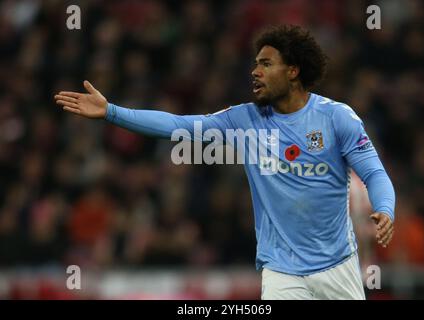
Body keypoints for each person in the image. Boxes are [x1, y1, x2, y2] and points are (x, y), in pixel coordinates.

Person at [55, 25, 395, 300]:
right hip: (282, 271)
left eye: (266, 64)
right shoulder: (244, 120)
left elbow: (373, 172)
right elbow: (179, 125)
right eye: (255, 64)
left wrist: (385, 209)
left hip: (337, 266)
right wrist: (112, 112)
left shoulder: (336, 119)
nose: (255, 71)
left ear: (293, 71)